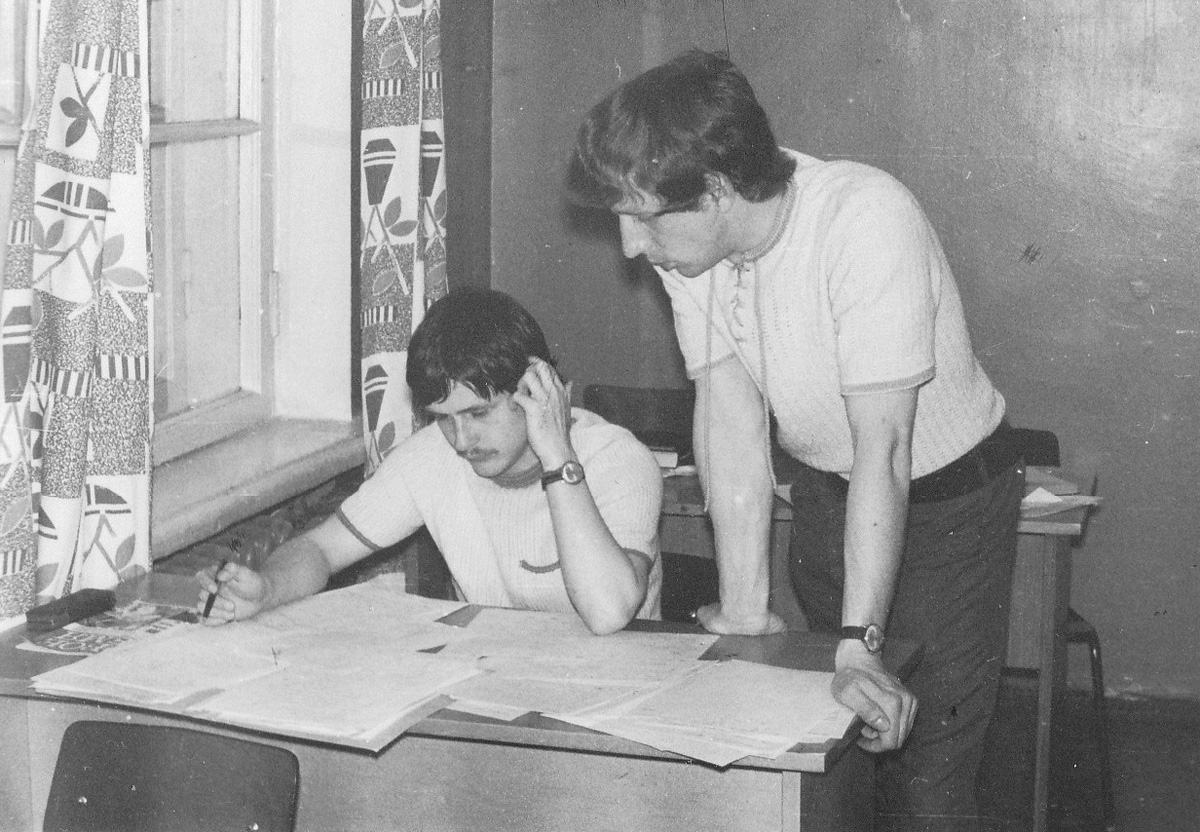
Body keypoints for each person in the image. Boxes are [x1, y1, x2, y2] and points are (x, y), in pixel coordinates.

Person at [567, 49, 1024, 830]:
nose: (631, 247)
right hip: (829, 495)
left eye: (643, 217)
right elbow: (729, 414)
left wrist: (860, 641)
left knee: (923, 774)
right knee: (833, 759)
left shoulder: (863, 218)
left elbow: (885, 448)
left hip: (949, 507)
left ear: (717, 189)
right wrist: (746, 606)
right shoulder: (693, 248)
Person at [197, 288, 663, 636]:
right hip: (496, 689)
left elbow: (608, 613)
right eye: (444, 418)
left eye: (478, 414)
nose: (461, 440)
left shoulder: (617, 458)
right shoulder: (433, 456)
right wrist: (266, 589)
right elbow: (320, 549)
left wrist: (558, 458)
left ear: (534, 388)